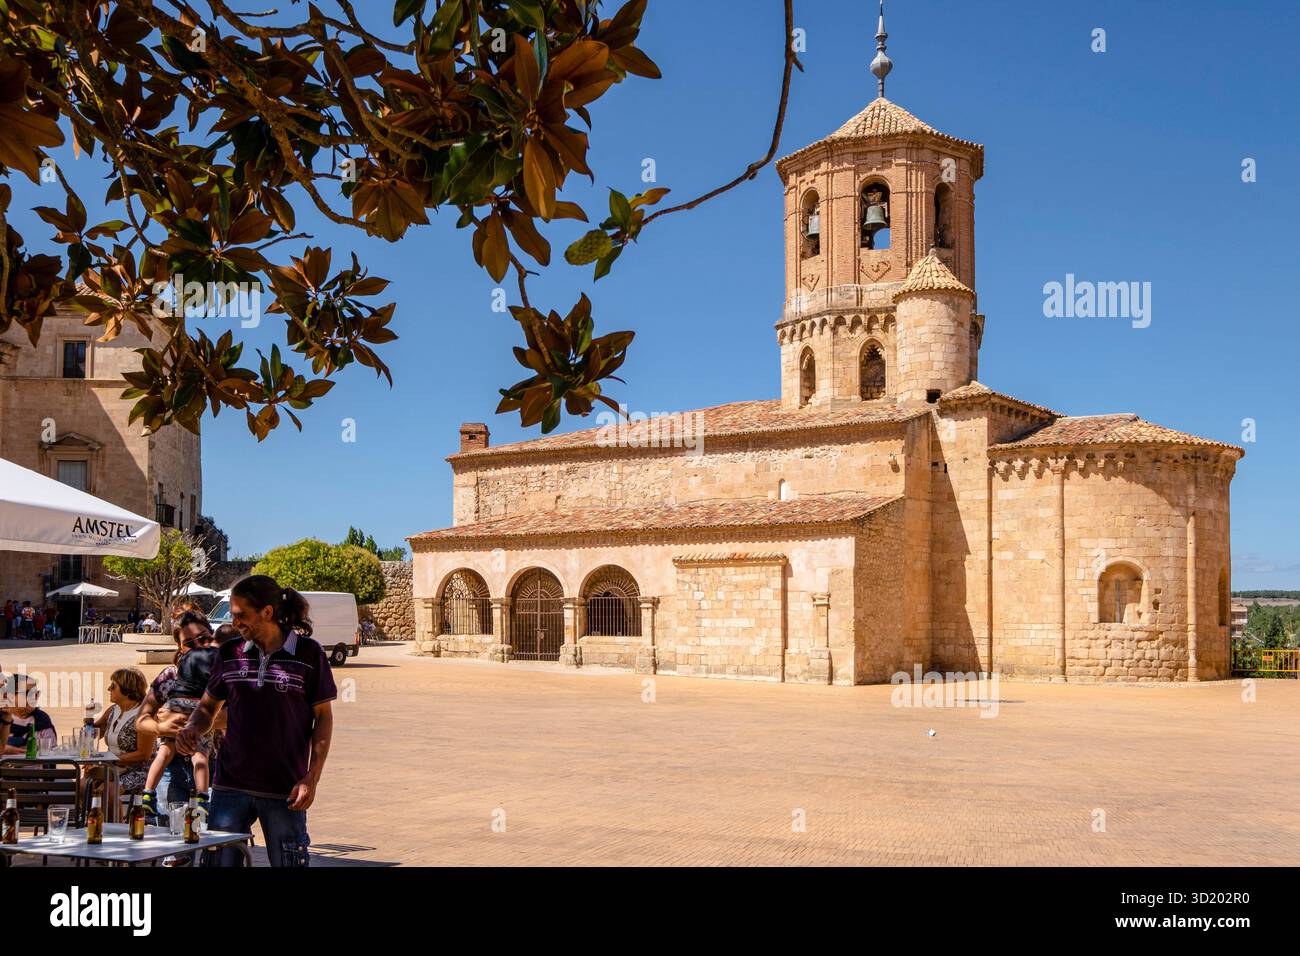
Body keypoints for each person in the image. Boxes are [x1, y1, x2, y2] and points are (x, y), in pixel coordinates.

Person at [178, 576, 335, 867]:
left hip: (284, 788)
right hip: (230, 785)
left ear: (267, 612)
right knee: (218, 863)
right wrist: (192, 728)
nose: (234, 622)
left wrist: (312, 777)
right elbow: (207, 707)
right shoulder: (229, 653)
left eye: (241, 615)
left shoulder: (309, 654)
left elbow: (323, 719)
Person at [139, 623, 219, 818]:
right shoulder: (171, 675)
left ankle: (148, 794)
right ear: (180, 646)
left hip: (217, 769)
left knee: (164, 752)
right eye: (190, 642)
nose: (200, 645)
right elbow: (141, 720)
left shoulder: (221, 671)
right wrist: (160, 727)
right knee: (199, 754)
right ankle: (202, 799)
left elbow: (235, 716)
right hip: (175, 771)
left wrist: (178, 725)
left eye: (204, 638)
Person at [92, 668, 156, 803]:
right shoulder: (113, 711)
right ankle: (91, 821)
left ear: (127, 690)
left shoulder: (142, 716)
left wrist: (111, 760)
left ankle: (114, 823)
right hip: (114, 766)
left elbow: (144, 754)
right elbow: (94, 733)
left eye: (113, 686)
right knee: (82, 785)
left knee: (107, 791)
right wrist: (88, 720)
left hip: (137, 770)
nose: (109, 689)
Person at [1, 674, 57, 753]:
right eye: (27, 693)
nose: (33, 697)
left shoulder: (42, 720)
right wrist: (5, 749)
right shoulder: (2, 718)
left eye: (35, 693)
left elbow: (52, 752)